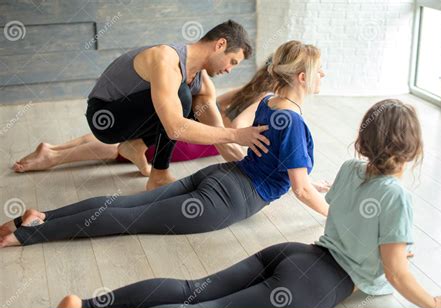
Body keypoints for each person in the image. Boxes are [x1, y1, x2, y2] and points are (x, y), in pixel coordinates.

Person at [49, 99, 441, 308]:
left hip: (296, 253)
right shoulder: (397, 195)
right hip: (321, 279)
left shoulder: (349, 168)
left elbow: (347, 218)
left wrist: (387, 247)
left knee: (191, 290)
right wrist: (435, 304)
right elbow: (396, 271)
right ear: (412, 147)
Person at [0, 40, 327, 247]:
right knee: (129, 220)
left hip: (220, 175)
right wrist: (332, 214)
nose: (323, 75)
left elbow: (280, 163)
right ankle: (26, 234)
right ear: (301, 77)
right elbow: (299, 190)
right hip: (230, 198)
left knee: (126, 206)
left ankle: (37, 216)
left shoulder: (268, 100)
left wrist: (310, 184)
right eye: (319, 71)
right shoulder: (295, 121)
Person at [14, 20, 272, 191]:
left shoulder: (202, 84)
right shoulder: (166, 59)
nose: (229, 69)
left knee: (190, 102)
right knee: (181, 98)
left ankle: (133, 146)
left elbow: (222, 141)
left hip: (132, 120)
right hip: (105, 117)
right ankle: (158, 174)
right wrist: (238, 133)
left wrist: (258, 177)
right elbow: (175, 128)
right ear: (220, 44)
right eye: (232, 62)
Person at [12, 56, 276, 173]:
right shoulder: (266, 99)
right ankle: (55, 157)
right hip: (198, 141)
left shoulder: (249, 88)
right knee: (123, 149)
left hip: (200, 129)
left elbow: (212, 102)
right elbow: (238, 127)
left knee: (127, 137)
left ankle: (54, 148)